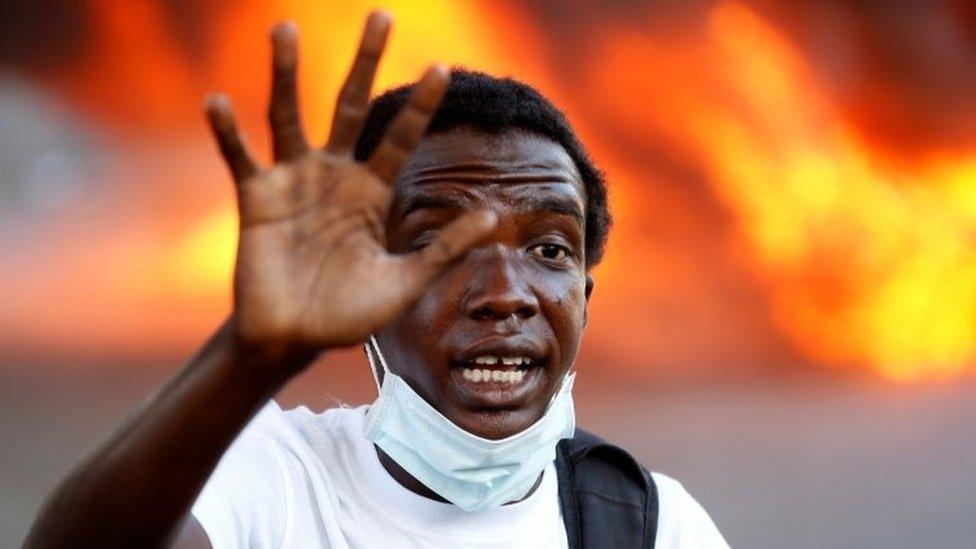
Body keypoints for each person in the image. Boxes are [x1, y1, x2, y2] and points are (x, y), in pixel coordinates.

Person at [24, 11, 729, 549]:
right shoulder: (275, 479)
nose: (506, 295)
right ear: (362, 288)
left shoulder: (653, 524)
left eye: (549, 249)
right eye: (438, 245)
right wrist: (251, 352)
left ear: (585, 299)